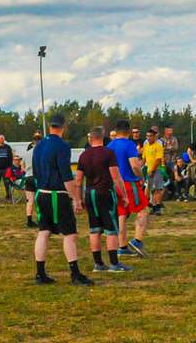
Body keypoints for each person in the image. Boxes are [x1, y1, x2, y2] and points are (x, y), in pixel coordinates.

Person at [30, 114, 93, 287]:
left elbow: (35, 172)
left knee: (44, 231)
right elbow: (66, 176)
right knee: (70, 234)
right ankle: (75, 273)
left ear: (50, 126)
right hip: (56, 194)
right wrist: (76, 199)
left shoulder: (39, 145)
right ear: (63, 127)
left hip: (41, 192)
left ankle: (40, 273)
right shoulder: (62, 146)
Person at [78, 127, 129, 274]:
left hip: (89, 194)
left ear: (90, 138)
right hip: (105, 193)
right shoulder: (108, 153)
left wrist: (79, 198)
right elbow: (116, 176)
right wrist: (123, 195)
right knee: (111, 229)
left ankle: (98, 264)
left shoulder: (84, 155)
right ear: (103, 138)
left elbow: (78, 180)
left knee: (94, 229)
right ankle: (114, 263)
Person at [109, 120, 149, 255]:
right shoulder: (130, 144)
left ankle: (122, 247)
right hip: (129, 183)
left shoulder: (109, 145)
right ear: (128, 131)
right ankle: (137, 240)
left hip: (115, 184)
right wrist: (141, 177)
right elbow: (135, 165)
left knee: (121, 214)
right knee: (143, 210)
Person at [143, 127, 167, 214]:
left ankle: (157, 207)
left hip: (157, 170)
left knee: (158, 189)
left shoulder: (158, 146)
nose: (148, 138)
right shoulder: (146, 146)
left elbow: (158, 160)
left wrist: (152, 170)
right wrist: (140, 167)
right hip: (149, 170)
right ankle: (153, 206)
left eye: (150, 136)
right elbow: (144, 158)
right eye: (147, 136)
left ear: (154, 137)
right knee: (151, 190)